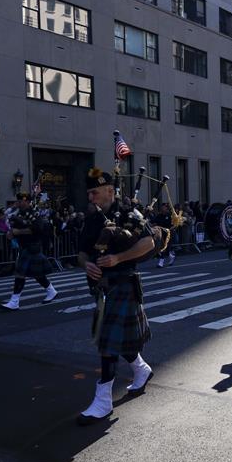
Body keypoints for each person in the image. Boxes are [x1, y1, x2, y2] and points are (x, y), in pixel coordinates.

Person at [76, 168, 154, 425]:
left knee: (107, 342)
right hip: (102, 288)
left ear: (110, 190)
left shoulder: (129, 213)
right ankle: (141, 369)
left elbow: (148, 243)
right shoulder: (92, 219)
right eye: (89, 193)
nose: (91, 198)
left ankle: (103, 400)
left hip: (123, 284)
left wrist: (118, 258)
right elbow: (82, 252)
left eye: (94, 192)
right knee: (116, 339)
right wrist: (87, 264)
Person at [0, 193, 57, 310]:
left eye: (21, 201)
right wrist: (11, 233)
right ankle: (51, 291)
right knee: (37, 273)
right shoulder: (18, 214)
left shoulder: (34, 213)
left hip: (32, 245)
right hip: (24, 245)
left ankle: (14, 301)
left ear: (27, 201)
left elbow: (37, 228)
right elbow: (15, 227)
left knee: (20, 273)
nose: (18, 203)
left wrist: (18, 232)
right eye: (18, 201)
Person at [152, 202, 176, 268]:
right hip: (160, 233)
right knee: (161, 247)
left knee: (166, 248)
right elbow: (154, 222)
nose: (162, 208)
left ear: (167, 208)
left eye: (164, 207)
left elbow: (174, 225)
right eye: (162, 207)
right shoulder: (159, 215)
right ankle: (166, 259)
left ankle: (165, 259)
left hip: (169, 234)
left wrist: (169, 229)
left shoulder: (170, 215)